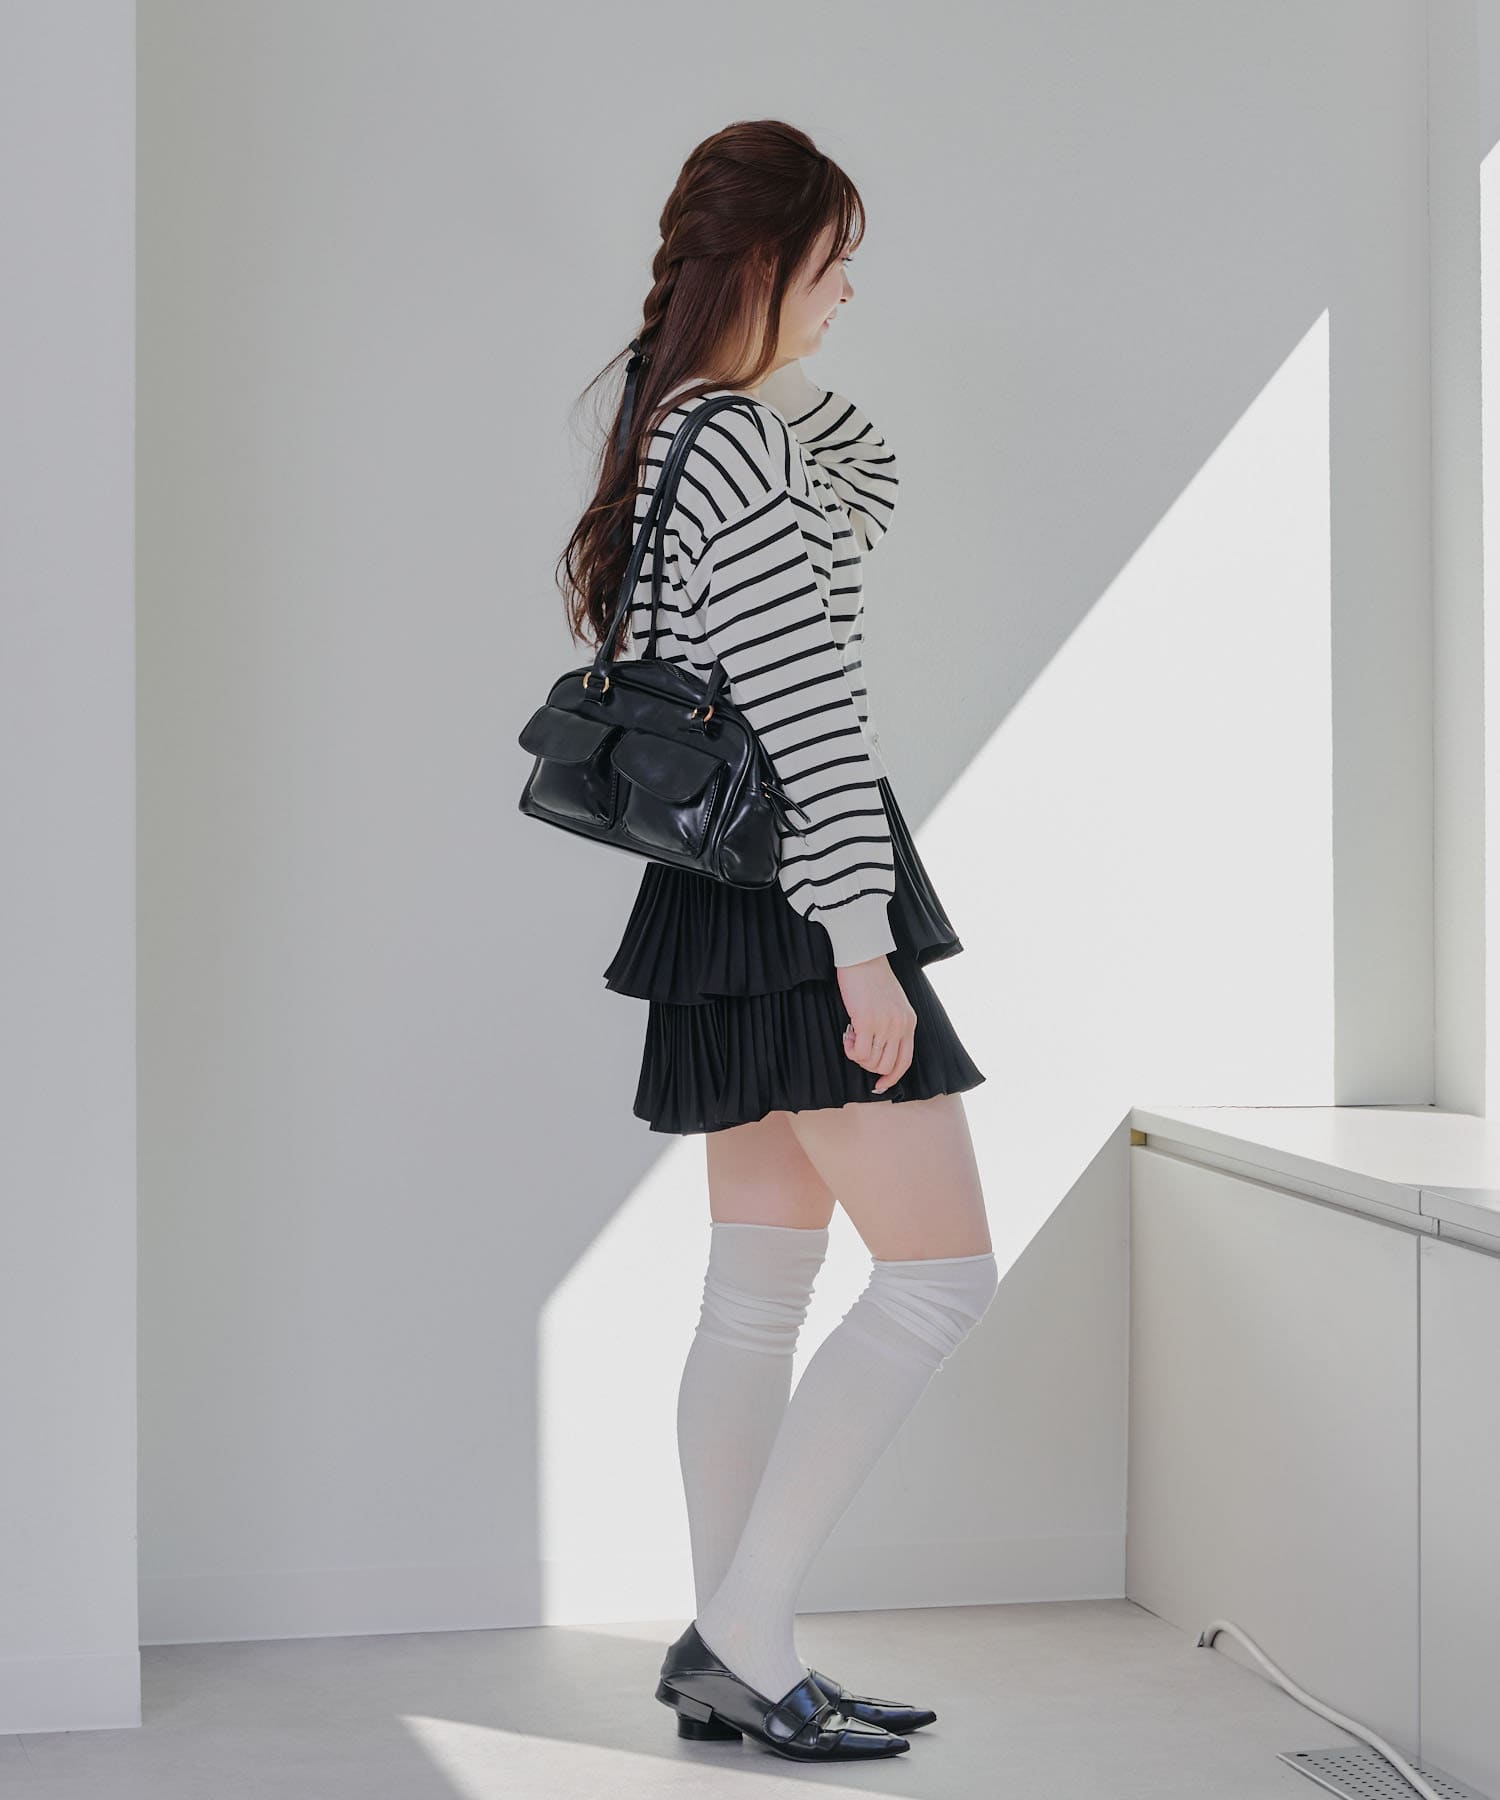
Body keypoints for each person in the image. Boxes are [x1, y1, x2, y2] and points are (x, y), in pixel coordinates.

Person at [555, 119, 999, 1765]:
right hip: (808, 893)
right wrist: (860, 946)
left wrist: (766, 354)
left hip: (713, 901)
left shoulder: (676, 425)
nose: (849, 292)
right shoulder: (734, 438)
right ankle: (741, 1634)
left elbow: (868, 488)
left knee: (756, 1292)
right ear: (763, 260)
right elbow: (808, 711)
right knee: (942, 1275)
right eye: (830, 263)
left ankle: (737, 1652)